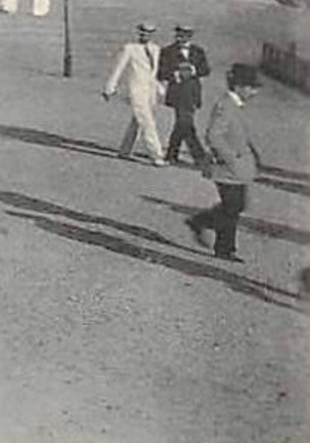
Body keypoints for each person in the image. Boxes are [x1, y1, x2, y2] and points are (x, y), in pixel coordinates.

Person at [185, 64, 262, 263]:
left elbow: (240, 135)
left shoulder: (235, 105)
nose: (254, 92)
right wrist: (232, 158)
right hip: (227, 168)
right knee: (233, 206)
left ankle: (201, 222)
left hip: (236, 167)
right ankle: (224, 248)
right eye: (251, 88)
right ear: (238, 87)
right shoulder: (225, 105)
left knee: (235, 205)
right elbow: (213, 135)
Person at [103, 21, 167, 166]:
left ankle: (125, 150)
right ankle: (156, 155)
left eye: (149, 33)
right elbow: (118, 69)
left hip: (150, 91)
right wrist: (110, 88)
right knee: (147, 122)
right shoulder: (130, 48)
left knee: (138, 121)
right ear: (138, 33)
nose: (145, 35)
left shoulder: (156, 49)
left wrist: (159, 88)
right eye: (143, 33)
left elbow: (154, 72)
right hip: (136, 90)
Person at [157, 23, 211, 167]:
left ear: (190, 36)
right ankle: (200, 157)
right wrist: (175, 74)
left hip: (193, 92)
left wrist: (193, 70)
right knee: (185, 122)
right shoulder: (167, 51)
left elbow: (206, 70)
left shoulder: (198, 51)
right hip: (177, 93)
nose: (181, 37)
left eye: (185, 35)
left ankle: (171, 155)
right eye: (179, 34)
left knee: (183, 124)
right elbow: (161, 72)